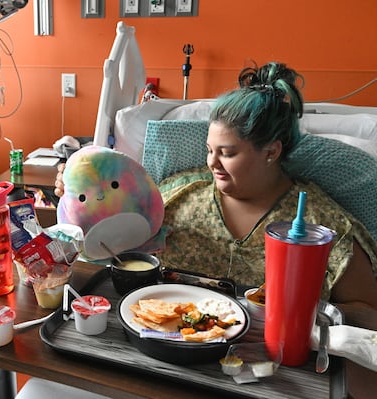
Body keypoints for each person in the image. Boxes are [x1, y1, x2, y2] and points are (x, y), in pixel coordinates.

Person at [55, 62, 377, 399]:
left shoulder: (321, 224)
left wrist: (302, 327)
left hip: (270, 379)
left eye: (228, 153)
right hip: (157, 364)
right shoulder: (177, 196)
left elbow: (366, 313)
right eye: (210, 150)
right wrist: (75, 195)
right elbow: (103, 236)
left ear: (271, 151)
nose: (212, 163)